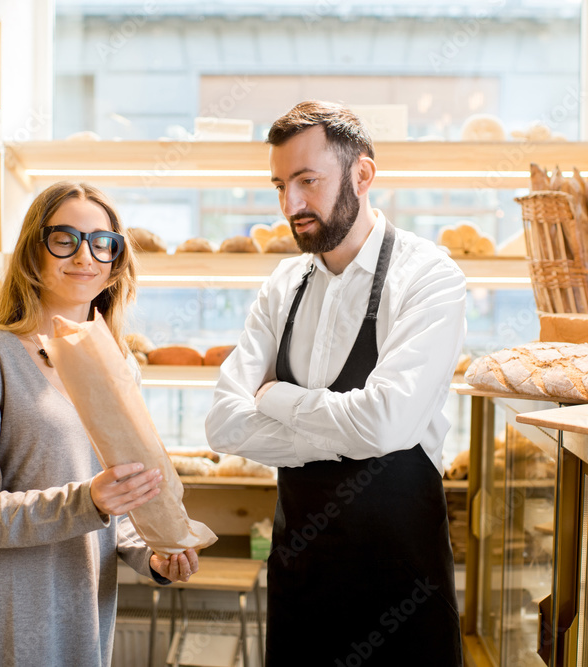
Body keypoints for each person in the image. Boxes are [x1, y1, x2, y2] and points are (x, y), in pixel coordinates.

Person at [206, 101, 466, 665]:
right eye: (279, 185)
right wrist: (351, 435)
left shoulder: (428, 276)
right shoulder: (283, 284)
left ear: (362, 174)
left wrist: (274, 397)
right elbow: (224, 423)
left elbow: (384, 422)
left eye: (308, 181)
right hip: (301, 577)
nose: (290, 205)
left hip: (402, 584)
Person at [0, 181, 199, 667]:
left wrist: (155, 556)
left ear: (116, 261)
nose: (86, 256)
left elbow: (113, 510)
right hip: (4, 620)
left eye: (102, 242)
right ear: (32, 251)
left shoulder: (119, 365)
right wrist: (88, 501)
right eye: (65, 238)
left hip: (83, 616)